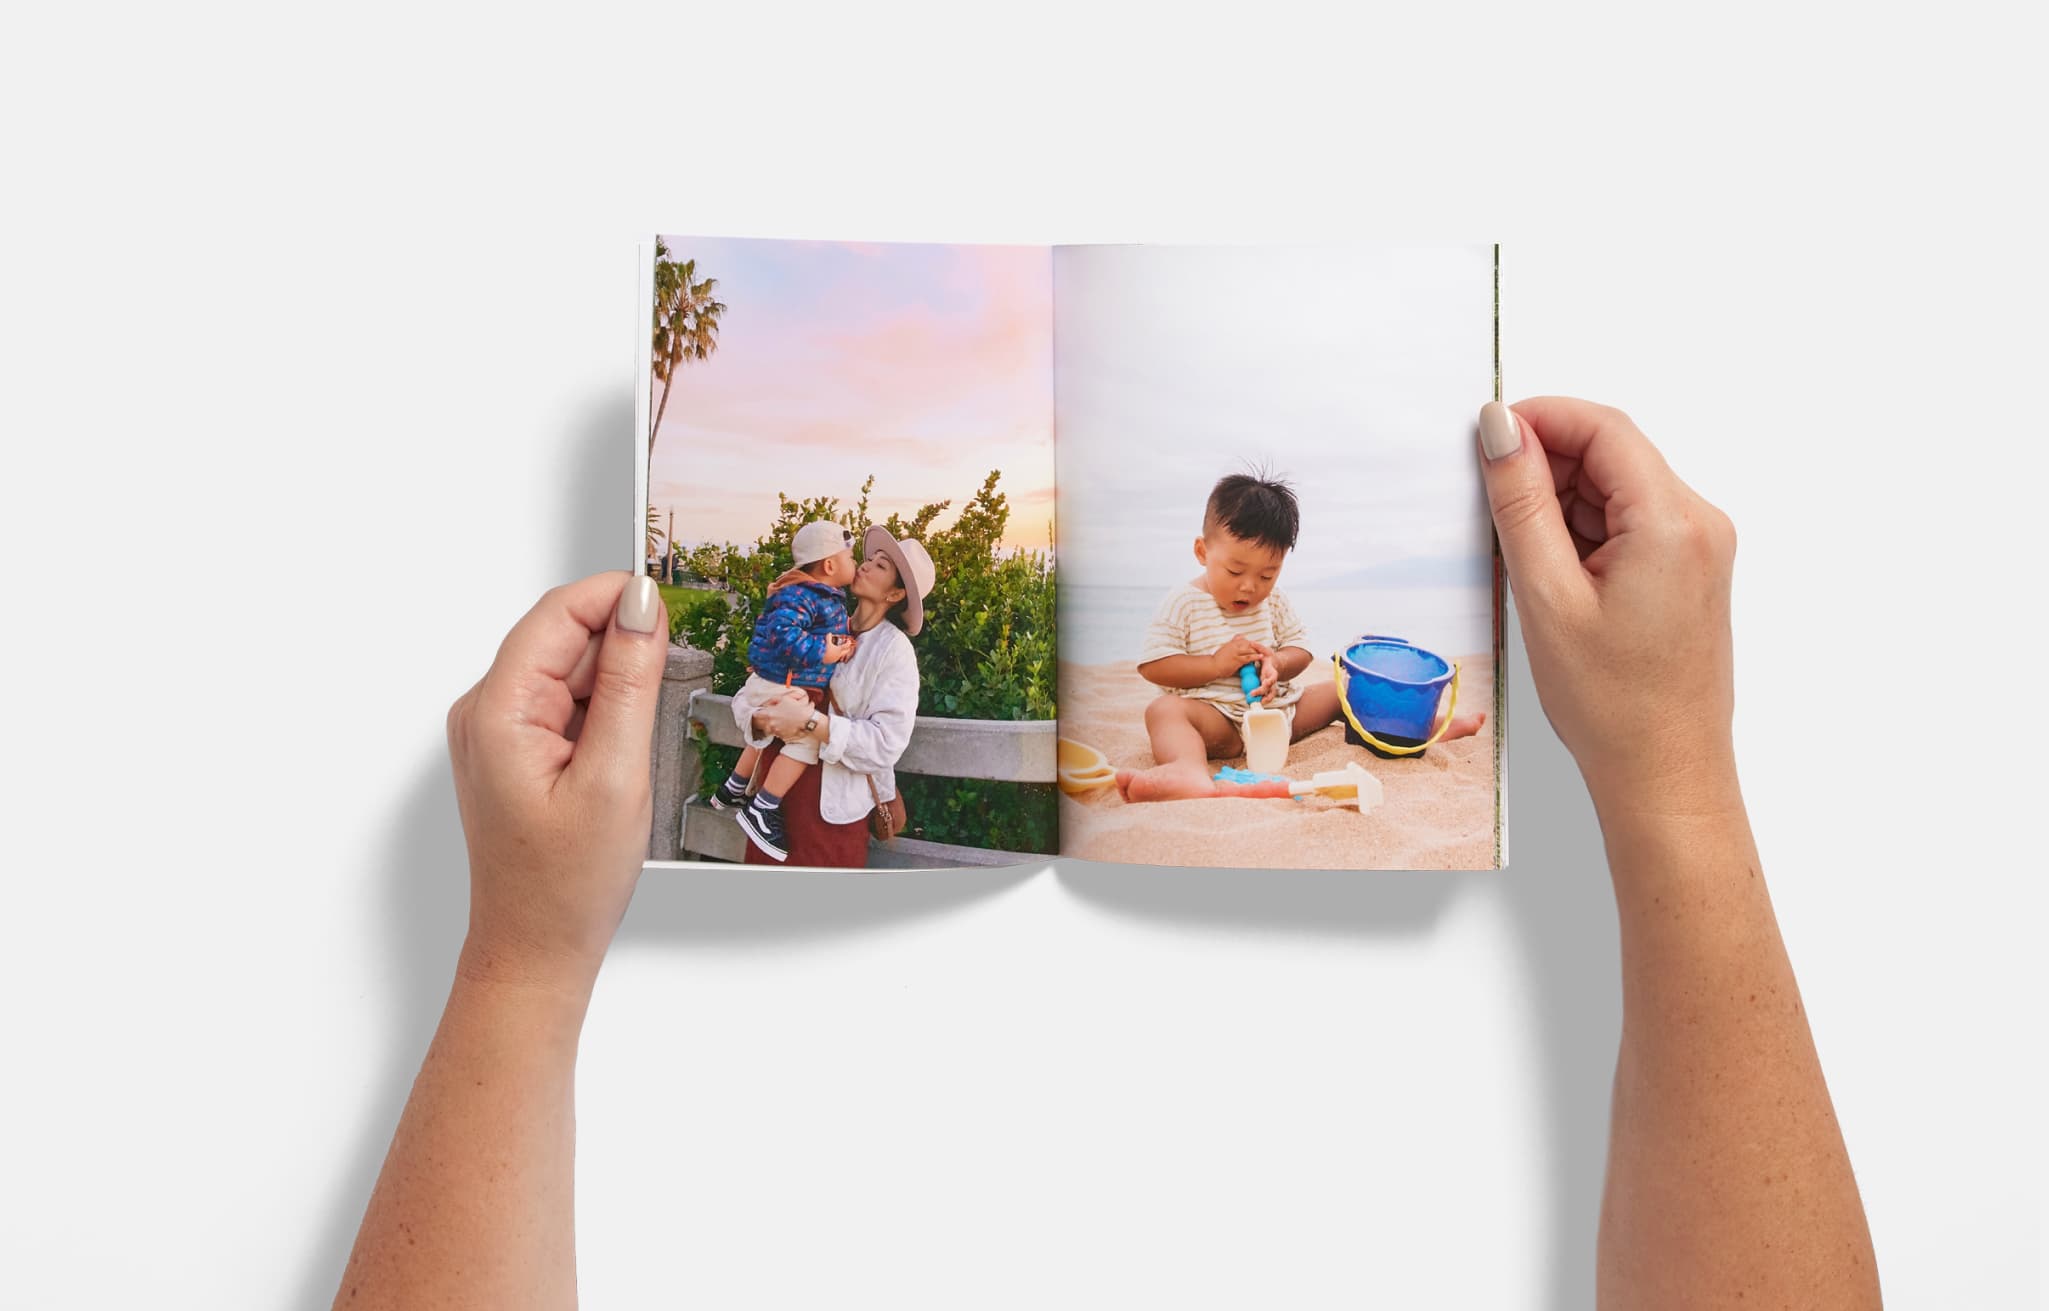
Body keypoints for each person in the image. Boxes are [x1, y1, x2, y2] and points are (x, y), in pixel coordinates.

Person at [332, 399, 1879, 1308]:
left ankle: (1371, 736)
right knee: (1165, 747)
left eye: (1265, 569)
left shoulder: (1257, 608)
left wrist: (1295, 668)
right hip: (1183, 726)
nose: (1249, 579)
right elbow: (1161, 687)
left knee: (1332, 680)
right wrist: (1225, 680)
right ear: (1202, 547)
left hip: (1228, 716)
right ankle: (1208, 790)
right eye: (1234, 561)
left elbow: (1279, 660)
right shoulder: (1173, 613)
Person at [1116, 469, 1485, 803]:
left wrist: (1277, 663)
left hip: (1283, 716)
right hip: (1219, 724)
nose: (1250, 587)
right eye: (1234, 570)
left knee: (1345, 688)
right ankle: (1187, 767)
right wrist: (1215, 664)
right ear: (1202, 552)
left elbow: (1302, 650)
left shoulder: (1273, 602)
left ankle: (1422, 728)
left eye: (1267, 575)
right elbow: (1155, 666)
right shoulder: (1184, 602)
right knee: (1163, 710)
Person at [741, 525, 935, 868]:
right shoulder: (817, 625)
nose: (864, 565)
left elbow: (886, 743)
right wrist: (759, 719)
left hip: (832, 812)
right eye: (869, 558)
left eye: (881, 566)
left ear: (895, 595)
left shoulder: (893, 651)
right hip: (770, 802)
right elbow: (750, 693)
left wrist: (810, 722)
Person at [711, 519, 860, 861]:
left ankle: (734, 786)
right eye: (850, 558)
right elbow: (784, 633)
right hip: (782, 682)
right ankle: (763, 807)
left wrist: (838, 642)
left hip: (778, 681)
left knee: (767, 733)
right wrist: (823, 652)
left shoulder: (817, 594)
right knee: (806, 741)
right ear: (829, 565)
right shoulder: (803, 595)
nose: (855, 564)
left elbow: (817, 629)